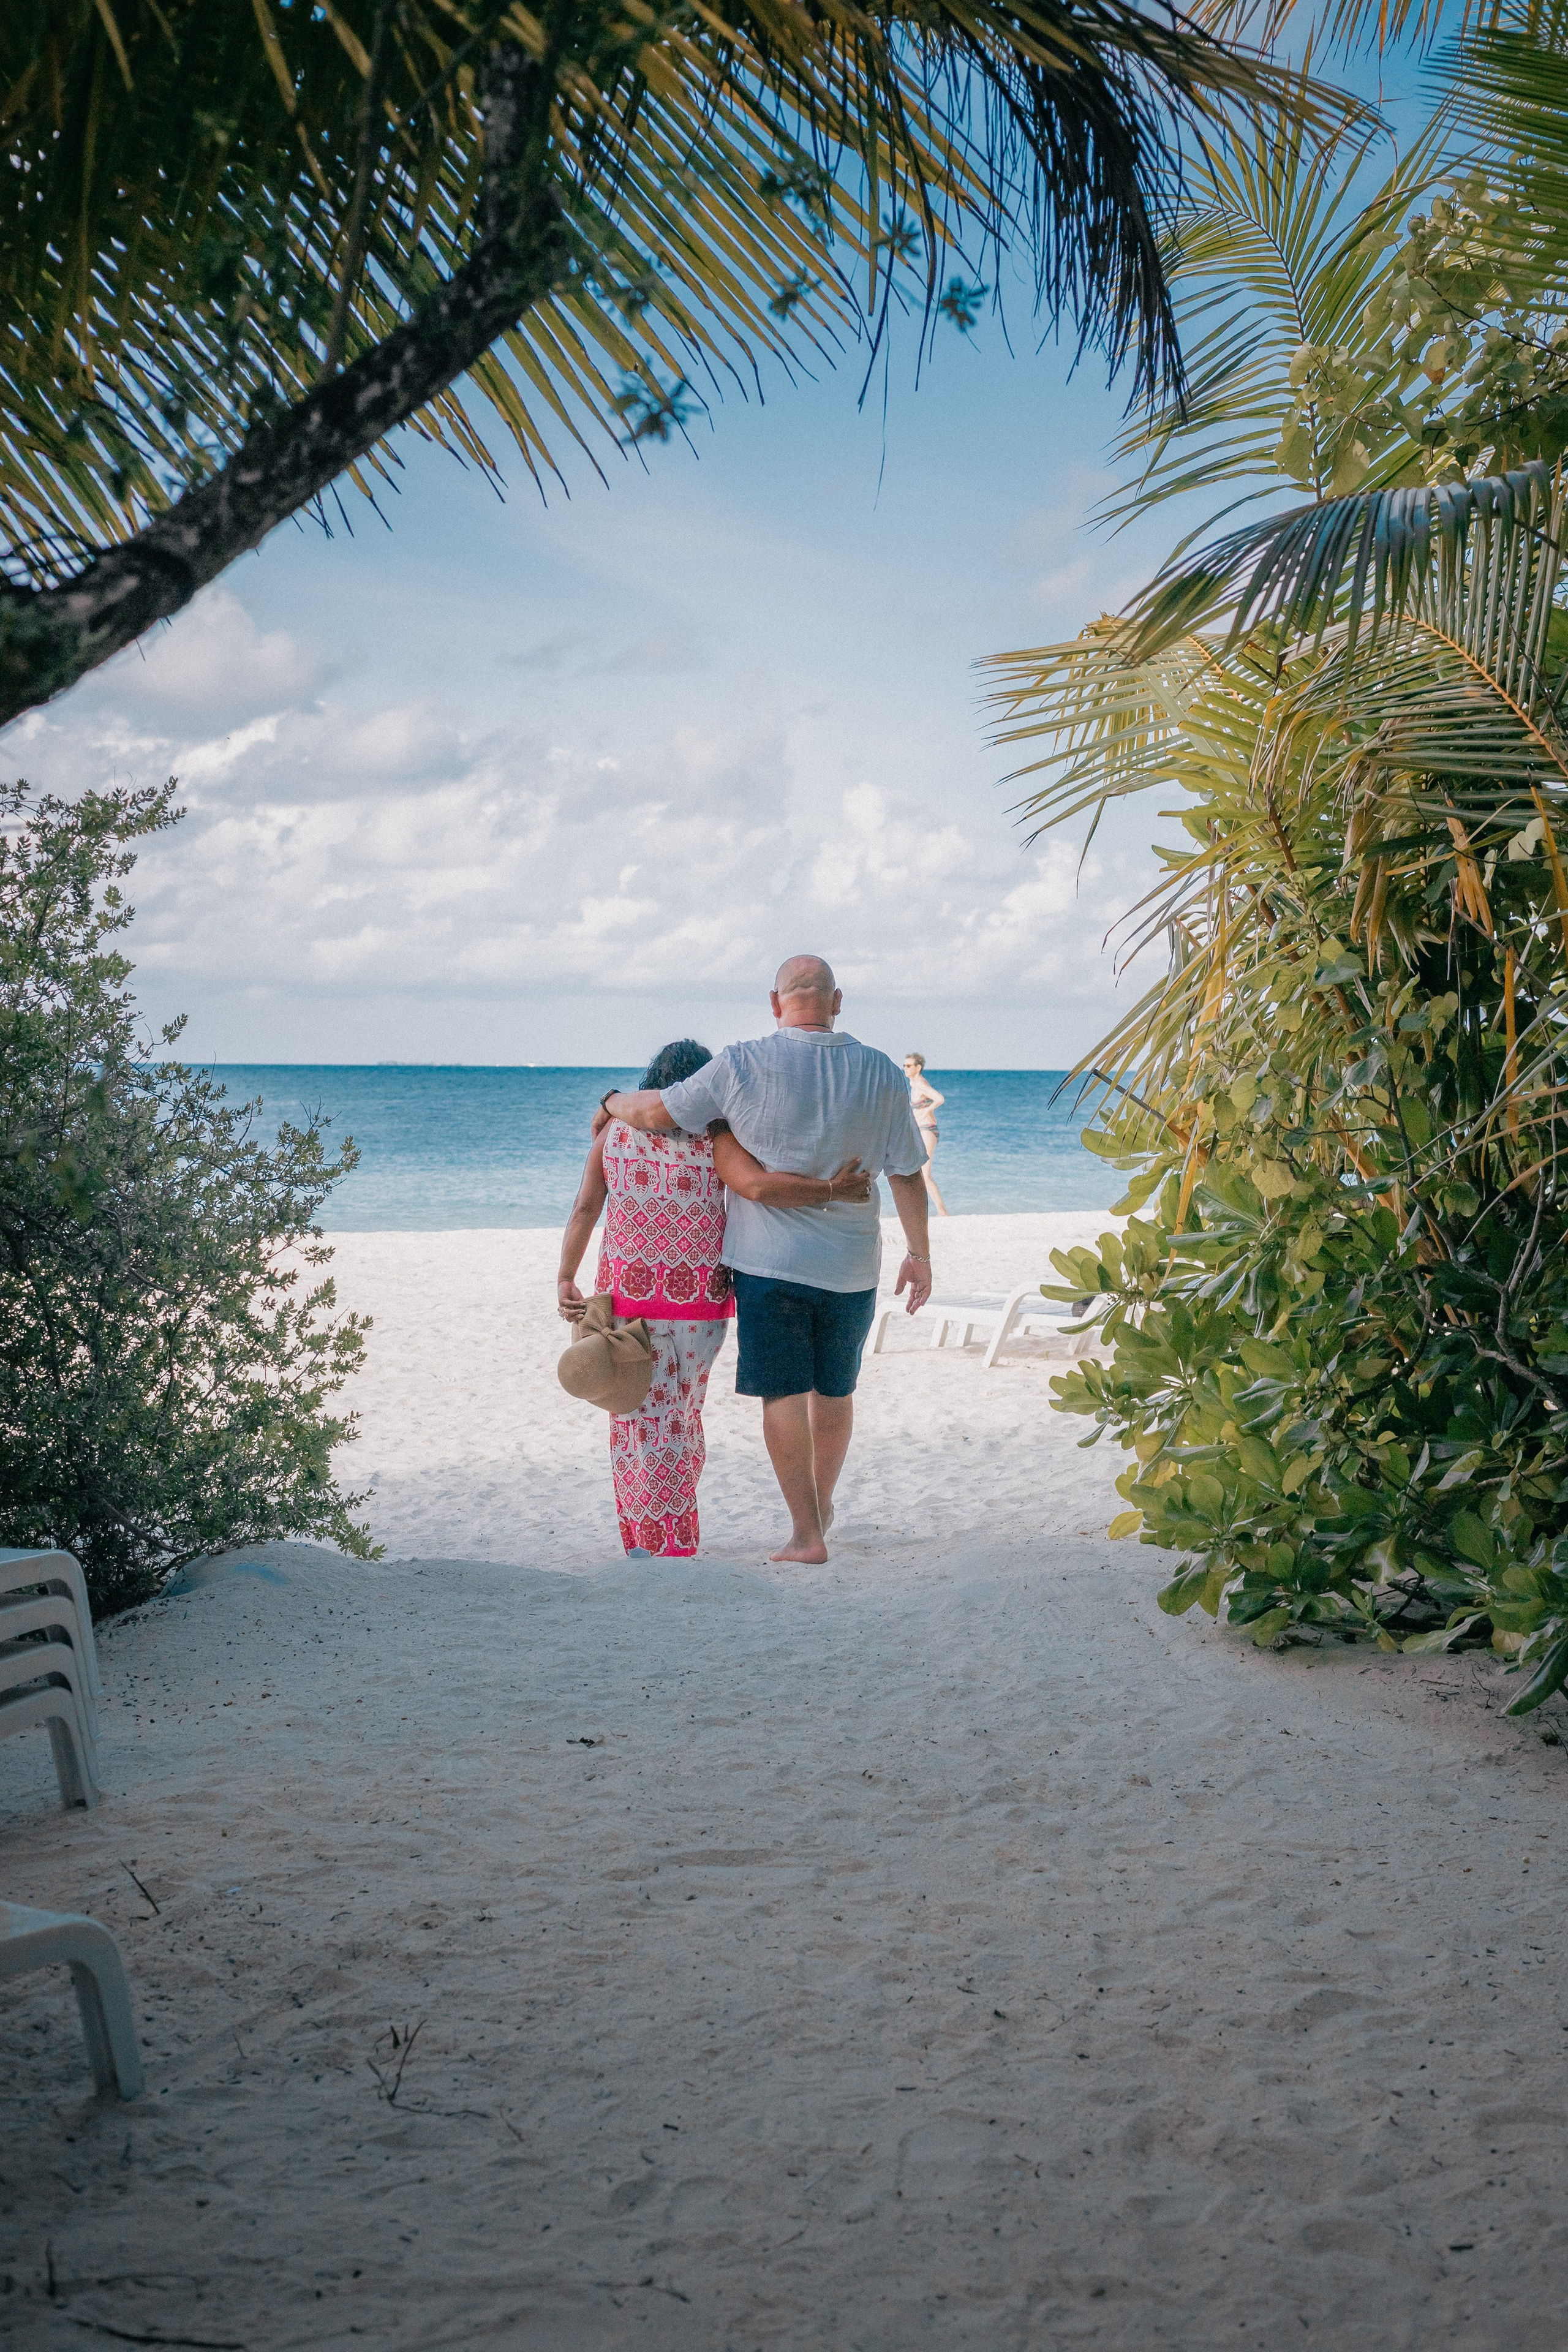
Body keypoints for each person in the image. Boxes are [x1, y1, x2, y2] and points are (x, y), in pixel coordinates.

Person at [594, 957, 932, 1565]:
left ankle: (805, 1534)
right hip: (851, 1263)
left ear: (776, 1004)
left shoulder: (742, 1062)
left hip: (768, 1264)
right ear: (837, 1002)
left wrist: (612, 1099)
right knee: (833, 1391)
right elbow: (906, 1170)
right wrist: (919, 1255)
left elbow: (654, 1113)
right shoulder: (882, 1072)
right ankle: (821, 1507)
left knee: (782, 1393)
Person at [559, 1038, 872, 1560]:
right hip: (701, 1308)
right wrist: (831, 1188)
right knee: (682, 1416)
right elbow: (760, 1186)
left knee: (636, 1417)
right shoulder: (718, 1138)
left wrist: (566, 1275)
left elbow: (586, 1207)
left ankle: (653, 1540)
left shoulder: (614, 1132)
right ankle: (675, 1534)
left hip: (629, 1305)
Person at [903, 1052, 948, 1216]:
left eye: (909, 1066)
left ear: (918, 1067)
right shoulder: (916, 1085)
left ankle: (942, 1212)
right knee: (921, 1174)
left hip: (927, 1130)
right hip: (923, 1130)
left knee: (925, 1175)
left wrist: (926, 1112)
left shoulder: (920, 1084)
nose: (905, 1068)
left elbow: (940, 1098)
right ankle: (933, 1211)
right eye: (905, 1065)